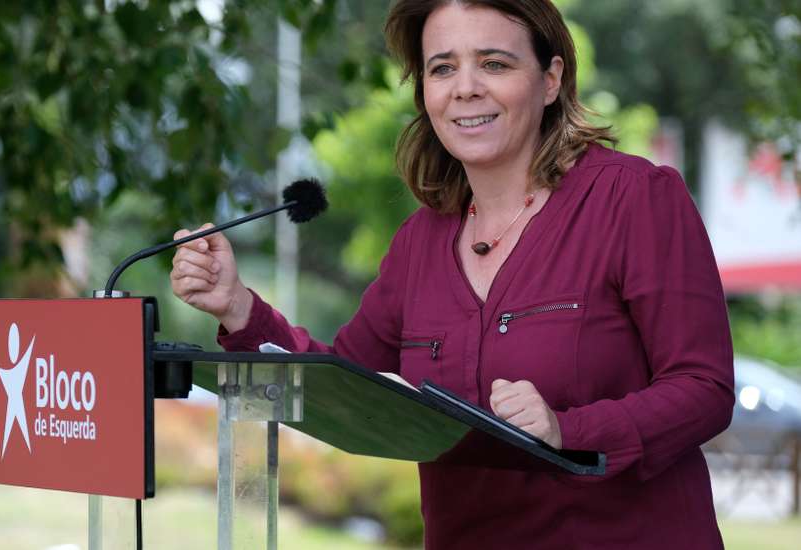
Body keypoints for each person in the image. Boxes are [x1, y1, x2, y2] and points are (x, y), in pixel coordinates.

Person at [169, 0, 735, 548]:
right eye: (443, 68)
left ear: (550, 79)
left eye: (494, 63)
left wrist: (569, 431)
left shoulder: (633, 199)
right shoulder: (419, 242)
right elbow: (342, 381)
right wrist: (238, 306)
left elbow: (703, 389)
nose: (466, 87)